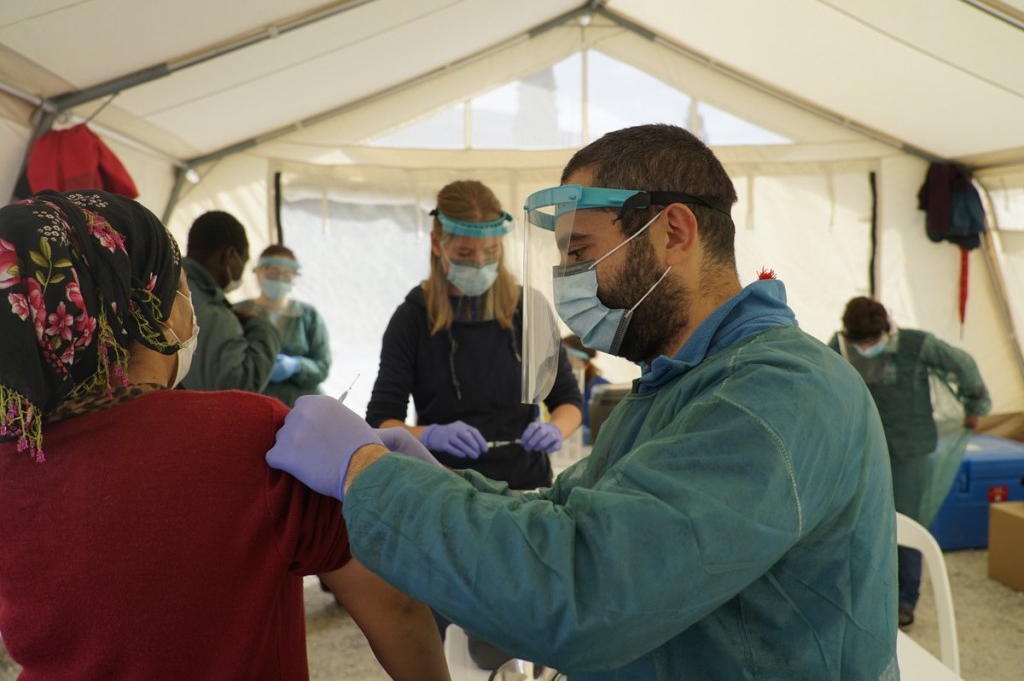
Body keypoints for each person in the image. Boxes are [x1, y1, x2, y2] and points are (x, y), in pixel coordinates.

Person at [267, 124, 899, 679]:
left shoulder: (774, 394)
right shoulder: (677, 387)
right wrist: (431, 477)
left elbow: (584, 590)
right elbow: (571, 517)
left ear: (673, 231)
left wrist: (367, 475)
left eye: (579, 251)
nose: (565, 278)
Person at [0, 190, 449, 680]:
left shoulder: (12, 462)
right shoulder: (252, 436)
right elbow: (395, 608)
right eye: (184, 291)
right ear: (160, 311)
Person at [366, 179, 583, 490]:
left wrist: (556, 430)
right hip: (445, 485)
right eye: (465, 253)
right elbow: (381, 422)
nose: (480, 263)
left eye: (491, 251)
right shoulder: (412, 318)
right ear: (436, 243)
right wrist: (429, 435)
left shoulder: (528, 308)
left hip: (526, 486)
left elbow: (569, 400)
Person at [829, 295, 990, 628]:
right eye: (861, 343)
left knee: (908, 524)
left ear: (887, 331)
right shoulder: (840, 347)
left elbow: (964, 365)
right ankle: (866, 594)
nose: (867, 348)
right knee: (859, 521)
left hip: (909, 450)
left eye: (873, 341)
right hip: (862, 449)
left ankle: (904, 601)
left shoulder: (916, 345)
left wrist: (975, 405)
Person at [180, 210, 281, 392]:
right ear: (229, 256)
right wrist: (261, 327)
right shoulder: (216, 316)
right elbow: (238, 387)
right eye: (244, 260)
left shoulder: (161, 278)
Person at [235, 245, 331, 407]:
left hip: (301, 408)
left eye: (286, 274)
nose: (279, 278)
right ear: (258, 273)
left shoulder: (308, 316)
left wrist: (297, 365)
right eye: (272, 272)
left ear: (294, 277)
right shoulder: (238, 312)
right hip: (252, 405)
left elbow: (322, 367)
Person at [561, 334, 610, 445]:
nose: (561, 364)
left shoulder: (602, 390)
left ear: (585, 364)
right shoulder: (557, 388)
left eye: (567, 358)